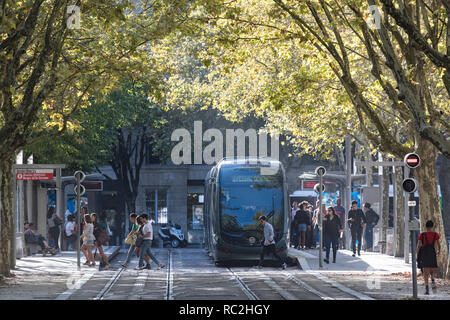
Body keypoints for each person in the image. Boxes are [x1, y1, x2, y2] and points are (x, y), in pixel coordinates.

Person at [416, 220, 441, 295]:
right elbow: (439, 245)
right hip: (432, 254)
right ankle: (433, 281)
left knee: (425, 273)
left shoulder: (422, 235)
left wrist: (417, 255)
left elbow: (418, 246)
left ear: (425, 226)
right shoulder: (435, 235)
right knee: (432, 271)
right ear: (432, 226)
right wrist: (438, 252)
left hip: (424, 254)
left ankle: (427, 290)